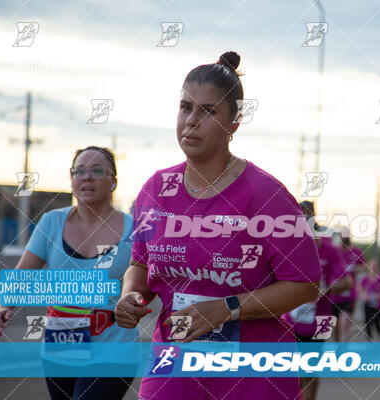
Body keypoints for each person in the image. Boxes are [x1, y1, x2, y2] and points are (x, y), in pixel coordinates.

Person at [114, 51, 322, 400]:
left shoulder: (266, 195)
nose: (191, 121)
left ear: (234, 122)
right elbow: (140, 264)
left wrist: (227, 308)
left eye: (208, 111)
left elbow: (305, 286)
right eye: (185, 107)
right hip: (174, 368)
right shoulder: (155, 189)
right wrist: (129, 296)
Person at [0, 146, 138, 400]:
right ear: (72, 180)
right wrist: (4, 308)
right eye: (79, 171)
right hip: (61, 343)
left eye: (97, 170)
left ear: (113, 181)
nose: (86, 177)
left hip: (115, 347)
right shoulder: (51, 222)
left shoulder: (134, 230)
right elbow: (22, 277)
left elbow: (148, 282)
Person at [283, 201, 352, 400]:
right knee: (291, 372)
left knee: (311, 371)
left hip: (320, 321)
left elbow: (347, 282)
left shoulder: (330, 251)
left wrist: (324, 288)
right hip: (290, 321)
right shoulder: (290, 248)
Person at [330, 236, 365, 341]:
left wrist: (354, 268)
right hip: (334, 294)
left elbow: (364, 267)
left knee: (345, 321)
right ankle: (338, 343)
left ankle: (345, 341)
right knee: (336, 325)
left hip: (350, 294)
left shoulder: (355, 251)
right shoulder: (334, 251)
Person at [359, 258, 380, 341]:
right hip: (368, 304)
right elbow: (360, 288)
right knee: (367, 322)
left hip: (378, 305)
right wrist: (364, 295)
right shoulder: (365, 278)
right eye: (371, 266)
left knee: (377, 322)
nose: (373, 268)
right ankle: (369, 340)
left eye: (374, 266)